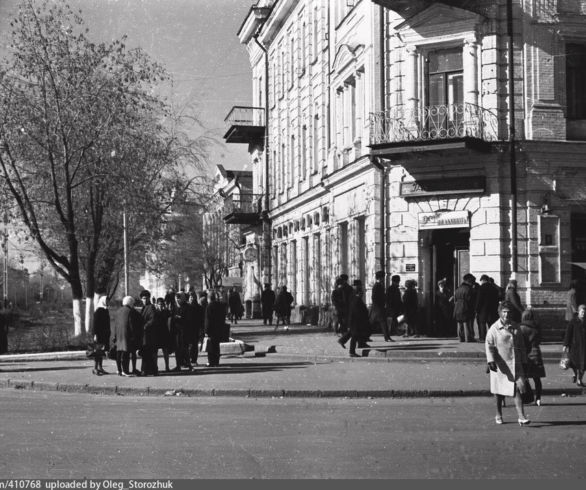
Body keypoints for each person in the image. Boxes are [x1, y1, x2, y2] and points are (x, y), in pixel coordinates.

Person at [485, 301, 530, 426]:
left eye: (508, 312)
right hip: (500, 366)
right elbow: (489, 345)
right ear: (499, 313)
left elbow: (521, 346)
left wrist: (524, 361)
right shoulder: (494, 329)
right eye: (504, 312)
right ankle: (498, 414)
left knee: (516, 389)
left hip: (515, 364)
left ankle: (521, 416)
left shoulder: (516, 327)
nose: (506, 315)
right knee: (499, 393)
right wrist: (491, 361)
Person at [519, 309, 546, 405]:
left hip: (525, 355)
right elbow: (540, 340)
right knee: (537, 379)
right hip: (536, 353)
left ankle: (524, 397)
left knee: (523, 377)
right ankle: (538, 398)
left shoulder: (521, 328)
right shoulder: (536, 328)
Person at [338, 280, 370, 357]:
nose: (362, 294)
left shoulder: (356, 299)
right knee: (354, 336)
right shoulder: (356, 300)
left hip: (354, 321)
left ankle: (342, 340)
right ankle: (352, 352)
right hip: (355, 321)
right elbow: (355, 312)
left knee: (353, 334)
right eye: (361, 293)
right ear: (358, 293)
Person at [112, 296, 141, 377]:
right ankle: (125, 370)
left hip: (118, 334)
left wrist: (115, 336)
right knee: (126, 352)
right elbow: (131, 324)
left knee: (119, 352)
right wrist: (133, 335)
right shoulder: (130, 311)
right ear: (131, 303)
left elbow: (115, 325)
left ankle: (119, 370)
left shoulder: (118, 311)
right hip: (126, 334)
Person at [169, 292, 193, 372]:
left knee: (185, 349)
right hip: (176, 331)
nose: (177, 300)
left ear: (182, 298)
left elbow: (189, 319)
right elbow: (171, 317)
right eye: (176, 298)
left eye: (179, 298)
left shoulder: (187, 307)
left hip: (184, 331)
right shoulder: (174, 307)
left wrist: (180, 318)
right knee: (177, 349)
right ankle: (178, 365)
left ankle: (189, 365)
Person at [563, 304, 586, 386]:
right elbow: (568, 334)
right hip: (574, 347)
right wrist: (565, 345)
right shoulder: (573, 322)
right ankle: (575, 374)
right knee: (573, 363)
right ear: (579, 312)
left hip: (584, 348)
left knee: (583, 365)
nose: (583, 314)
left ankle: (579, 380)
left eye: (584, 312)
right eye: (582, 312)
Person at [204, 291, 227, 367]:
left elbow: (208, 320)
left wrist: (206, 330)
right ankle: (216, 361)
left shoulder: (209, 306)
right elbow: (223, 317)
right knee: (217, 346)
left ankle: (211, 362)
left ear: (209, 298)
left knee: (211, 346)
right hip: (219, 328)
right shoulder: (221, 306)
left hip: (212, 329)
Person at [370, 271, 393, 342]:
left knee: (374, 323)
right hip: (378, 307)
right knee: (382, 322)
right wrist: (380, 304)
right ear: (381, 278)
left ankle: (387, 337)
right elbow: (374, 297)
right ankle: (387, 337)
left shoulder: (379, 285)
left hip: (378, 307)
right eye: (383, 277)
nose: (384, 279)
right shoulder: (377, 286)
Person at [475, 274, 500, 342]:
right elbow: (497, 299)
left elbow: (479, 300)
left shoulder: (481, 288)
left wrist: (477, 309)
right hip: (492, 310)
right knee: (492, 325)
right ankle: (493, 338)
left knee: (482, 324)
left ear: (483, 280)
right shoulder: (494, 288)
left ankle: (483, 338)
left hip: (483, 310)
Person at [139, 290, 158, 376]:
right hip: (146, 334)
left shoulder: (150, 307)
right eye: (143, 298)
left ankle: (147, 370)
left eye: (146, 298)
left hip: (149, 334)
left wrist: (144, 326)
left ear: (149, 298)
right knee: (147, 353)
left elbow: (153, 319)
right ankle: (149, 370)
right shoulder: (144, 307)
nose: (144, 300)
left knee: (148, 352)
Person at [453, 273, 476, 342]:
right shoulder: (469, 289)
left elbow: (455, 299)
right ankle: (468, 338)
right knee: (467, 323)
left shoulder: (458, 288)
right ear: (469, 281)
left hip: (457, 307)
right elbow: (471, 300)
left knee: (459, 323)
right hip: (466, 306)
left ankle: (461, 338)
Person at [92, 295, 110, 375]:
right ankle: (95, 368)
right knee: (97, 351)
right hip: (99, 334)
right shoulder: (98, 310)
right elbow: (95, 324)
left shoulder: (105, 310)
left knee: (101, 351)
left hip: (104, 334)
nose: (108, 302)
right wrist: (95, 334)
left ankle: (100, 367)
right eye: (106, 301)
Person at [154, 297, 173, 372]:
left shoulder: (166, 312)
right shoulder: (155, 312)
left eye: (162, 304)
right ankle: (155, 367)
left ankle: (167, 367)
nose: (160, 306)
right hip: (157, 333)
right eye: (159, 304)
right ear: (156, 304)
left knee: (165, 351)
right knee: (155, 352)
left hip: (165, 333)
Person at [188, 292, 204, 365]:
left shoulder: (196, 307)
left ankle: (192, 359)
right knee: (193, 345)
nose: (191, 299)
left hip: (194, 328)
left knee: (193, 345)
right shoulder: (198, 307)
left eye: (192, 297)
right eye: (190, 297)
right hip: (193, 328)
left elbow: (201, 319)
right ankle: (193, 360)